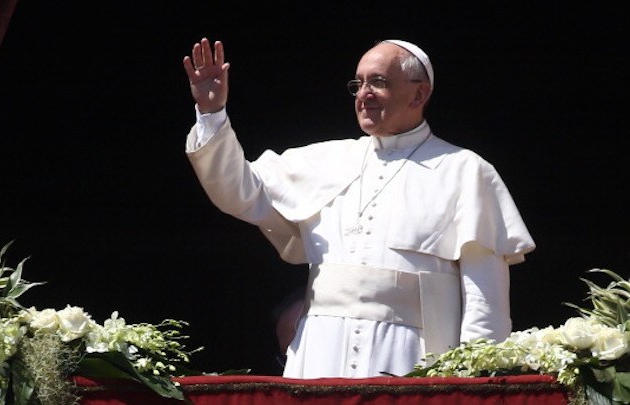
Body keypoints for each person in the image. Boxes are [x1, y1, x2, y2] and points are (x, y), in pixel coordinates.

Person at [182, 37, 535, 379]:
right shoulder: (325, 159)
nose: (364, 95)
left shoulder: (466, 171)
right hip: (321, 355)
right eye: (359, 83)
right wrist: (212, 113)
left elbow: (484, 299)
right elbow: (237, 191)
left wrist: (475, 382)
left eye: (378, 82)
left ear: (419, 93)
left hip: (415, 359)